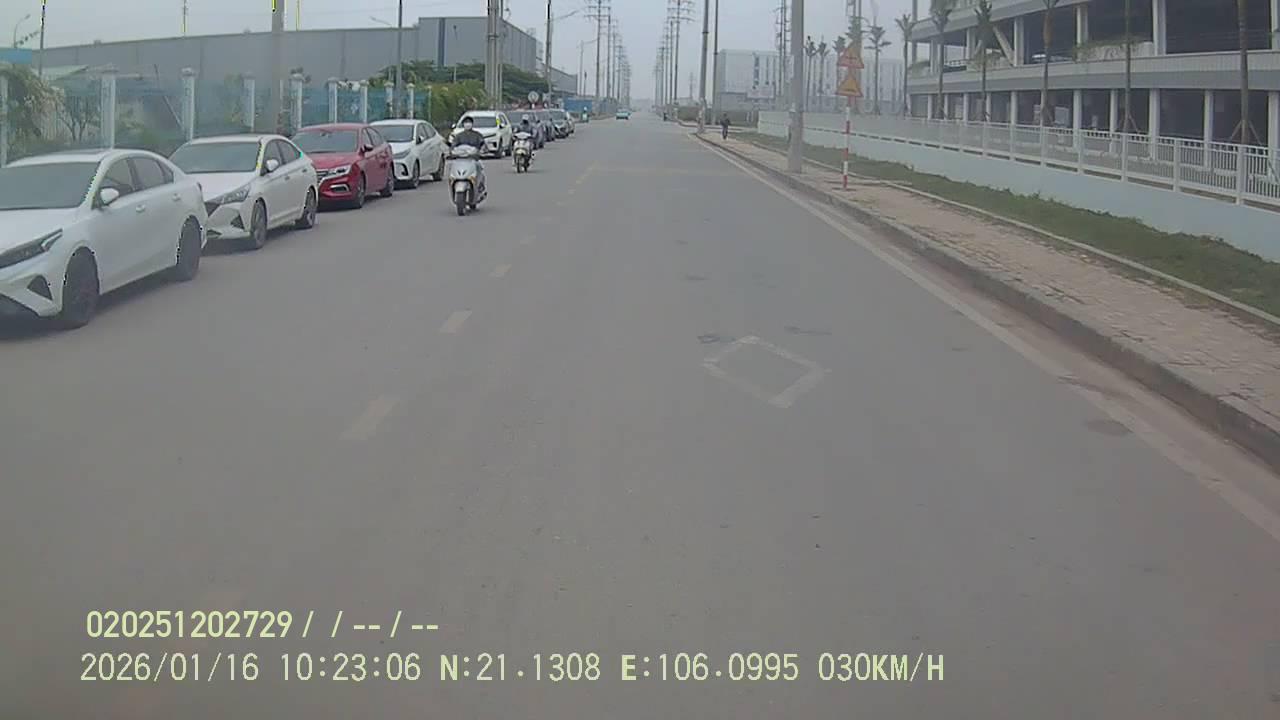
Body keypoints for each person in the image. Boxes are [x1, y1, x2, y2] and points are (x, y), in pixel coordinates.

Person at [450, 116, 487, 192]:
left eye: (469, 122)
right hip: (460, 160)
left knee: (480, 167)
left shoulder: (477, 135)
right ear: (463, 124)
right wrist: (451, 151)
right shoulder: (459, 136)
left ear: (472, 124)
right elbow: (453, 146)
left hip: (474, 159)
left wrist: (482, 151)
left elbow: (483, 145)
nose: (467, 124)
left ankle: (480, 186)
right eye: (466, 122)